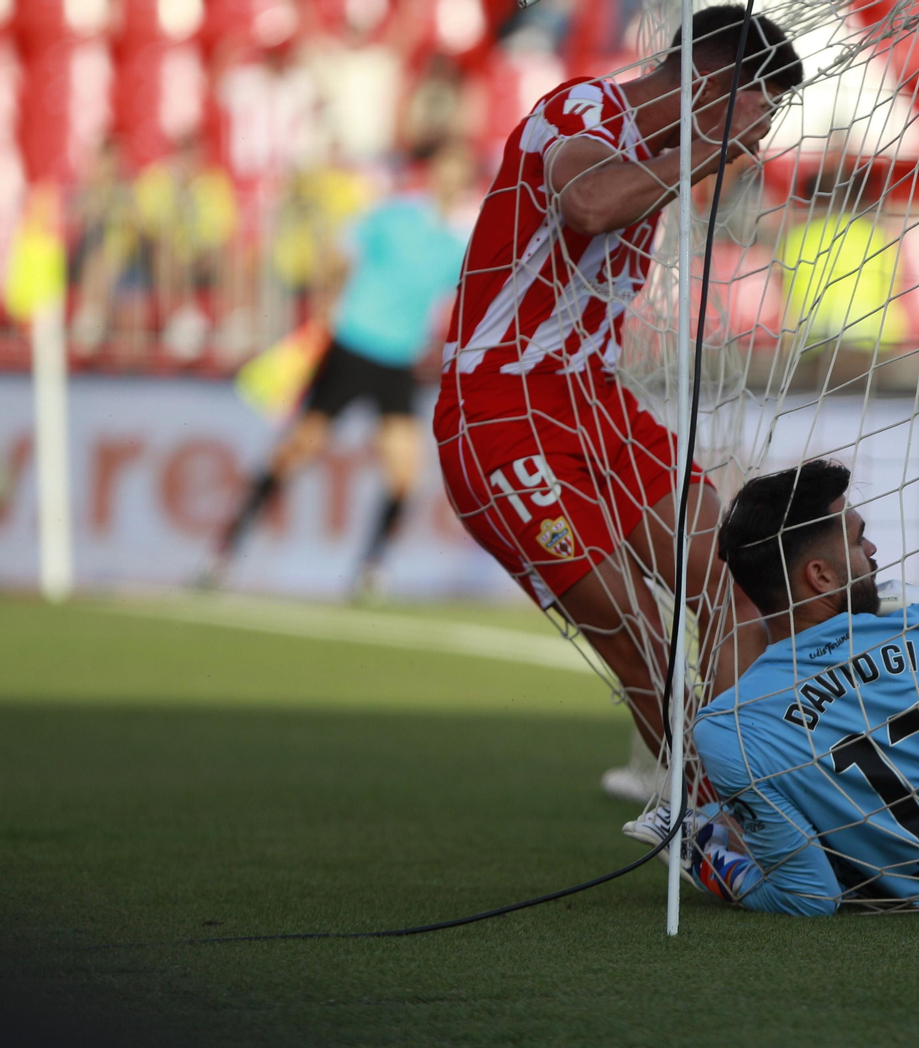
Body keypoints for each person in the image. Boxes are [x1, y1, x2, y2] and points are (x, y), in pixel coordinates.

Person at [433, 8, 804, 791]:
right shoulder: (580, 110)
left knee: (736, 591)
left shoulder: (667, 148)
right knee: (642, 642)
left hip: (599, 404)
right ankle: (708, 815)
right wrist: (707, 144)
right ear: (714, 82)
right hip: (502, 414)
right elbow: (587, 205)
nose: (756, 141)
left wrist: (699, 145)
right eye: (758, 112)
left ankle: (753, 803)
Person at [630, 460, 919, 915]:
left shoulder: (727, 727)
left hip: (918, 898)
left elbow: (809, 897)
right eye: (859, 540)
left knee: (797, 806)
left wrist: (708, 863)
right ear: (819, 576)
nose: (873, 549)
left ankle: (703, 840)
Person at [204, 141, 473, 595]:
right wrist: (330, 300)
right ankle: (226, 552)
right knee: (297, 450)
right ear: (432, 174)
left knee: (405, 470)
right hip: (353, 344)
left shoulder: (458, 241)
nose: (450, 179)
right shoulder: (396, 216)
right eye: (446, 169)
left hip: (398, 360)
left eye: (459, 171)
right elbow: (341, 252)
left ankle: (371, 569)